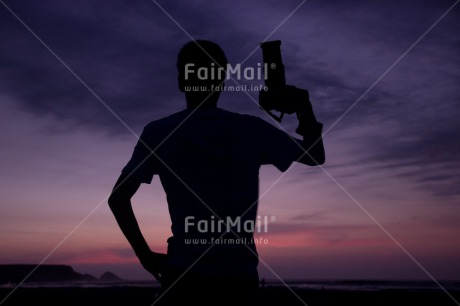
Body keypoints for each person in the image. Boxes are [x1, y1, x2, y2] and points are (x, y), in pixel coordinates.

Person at [108, 40, 325, 306]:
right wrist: (305, 108)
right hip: (238, 280)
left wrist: (145, 256)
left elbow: (118, 199)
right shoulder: (251, 130)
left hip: (183, 276)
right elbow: (315, 156)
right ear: (221, 80)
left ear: (181, 81)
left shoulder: (159, 132)